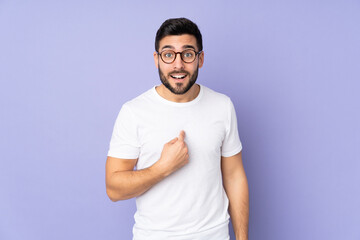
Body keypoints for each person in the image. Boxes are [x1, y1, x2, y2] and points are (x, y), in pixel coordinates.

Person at [105, 17, 249, 240]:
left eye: (188, 54)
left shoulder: (223, 106)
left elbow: (234, 176)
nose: (178, 64)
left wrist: (242, 238)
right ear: (157, 59)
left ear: (200, 59)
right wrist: (163, 167)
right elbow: (114, 189)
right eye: (169, 54)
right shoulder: (134, 112)